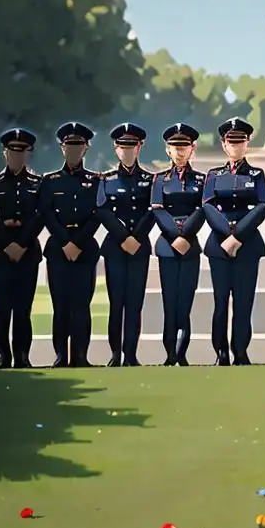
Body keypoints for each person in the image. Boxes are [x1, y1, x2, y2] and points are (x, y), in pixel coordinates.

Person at [202, 118, 265, 366]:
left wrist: (238, 236)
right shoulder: (214, 175)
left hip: (247, 245)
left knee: (243, 302)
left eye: (240, 142)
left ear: (247, 144)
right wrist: (227, 236)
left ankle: (240, 350)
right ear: (224, 145)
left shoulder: (256, 174)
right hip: (220, 246)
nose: (236, 146)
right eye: (231, 142)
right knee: (221, 302)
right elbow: (207, 205)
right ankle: (221, 351)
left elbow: (263, 205)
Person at [39, 122, 102, 369]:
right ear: (62, 148)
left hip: (84, 249)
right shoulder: (50, 180)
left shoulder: (96, 181)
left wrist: (78, 242)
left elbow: (97, 214)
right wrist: (66, 242)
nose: (74, 150)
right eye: (69, 145)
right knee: (60, 305)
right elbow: (46, 213)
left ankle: (81, 355)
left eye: (78, 145)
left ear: (85, 148)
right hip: (58, 249)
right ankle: (60, 355)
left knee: (81, 305)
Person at [0, 128, 43, 369]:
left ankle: (22, 355)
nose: (17, 156)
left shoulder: (37, 184)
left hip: (27, 253)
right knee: (2, 308)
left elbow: (40, 215)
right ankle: (4, 355)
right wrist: (8, 243)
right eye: (12, 152)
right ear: (5, 153)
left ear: (28, 154)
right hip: (0, 253)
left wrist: (22, 242)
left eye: (22, 152)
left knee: (23, 309)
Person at [96, 123, 155, 367]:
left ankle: (131, 353)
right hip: (115, 248)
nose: (127, 151)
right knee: (116, 301)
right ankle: (115, 354)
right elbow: (102, 210)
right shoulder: (106, 179)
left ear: (139, 148)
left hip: (139, 247)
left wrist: (136, 237)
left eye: (131, 147)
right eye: (123, 147)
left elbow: (153, 211)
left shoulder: (150, 180)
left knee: (134, 303)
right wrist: (123, 237)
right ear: (116, 149)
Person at [150, 124, 207, 366]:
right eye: (175, 147)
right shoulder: (159, 179)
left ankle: (182, 353)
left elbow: (203, 209)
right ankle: (169, 352)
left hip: (190, 247)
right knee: (169, 301)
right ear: (167, 150)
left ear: (192, 149)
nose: (180, 151)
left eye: (184, 147)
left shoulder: (202, 180)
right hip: (168, 247)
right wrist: (176, 236)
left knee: (185, 301)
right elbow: (158, 211)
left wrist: (186, 235)